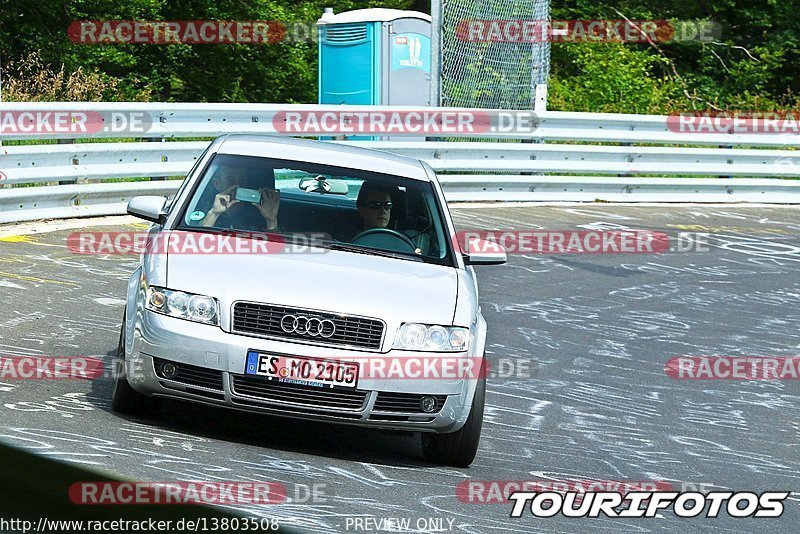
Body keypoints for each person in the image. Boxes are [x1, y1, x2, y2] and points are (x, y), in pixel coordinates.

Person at [200, 167, 280, 230]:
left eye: (242, 179)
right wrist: (214, 213)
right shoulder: (204, 209)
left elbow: (275, 248)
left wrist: (271, 220)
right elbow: (197, 242)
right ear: (217, 184)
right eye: (230, 180)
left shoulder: (260, 212)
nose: (238, 185)